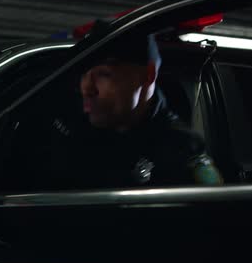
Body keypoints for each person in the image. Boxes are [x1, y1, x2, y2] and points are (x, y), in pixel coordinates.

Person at [75, 33, 223, 186]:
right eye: (84, 74)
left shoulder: (181, 152)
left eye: (103, 74)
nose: (86, 88)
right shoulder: (73, 127)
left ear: (148, 76)